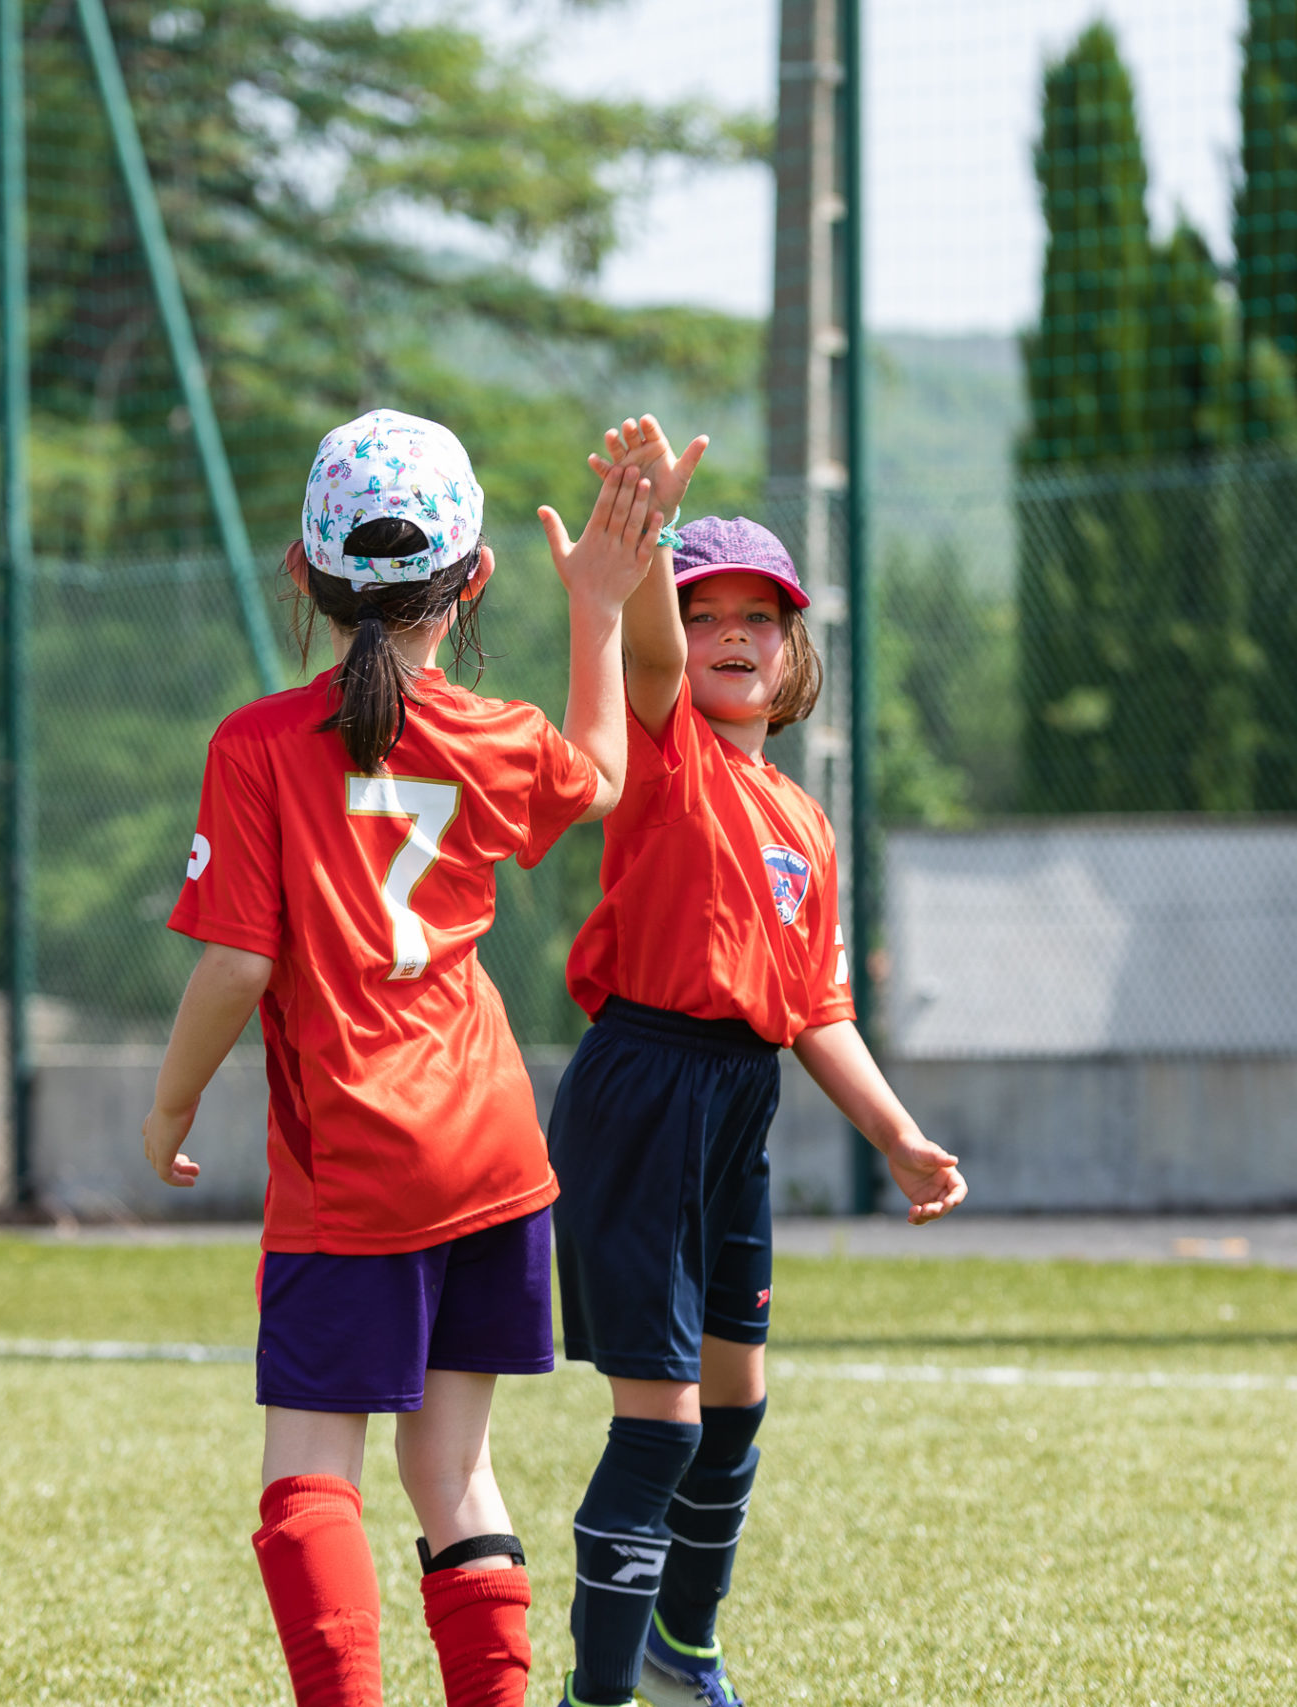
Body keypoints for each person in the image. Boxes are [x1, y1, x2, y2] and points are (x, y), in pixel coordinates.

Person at [141, 408, 663, 1707]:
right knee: (454, 1477)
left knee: (309, 1477)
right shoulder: (485, 735)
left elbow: (239, 965)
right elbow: (601, 778)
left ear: (303, 578)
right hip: (491, 1156)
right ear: (473, 581)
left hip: (352, 1169)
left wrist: (170, 1104)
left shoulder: (256, 746)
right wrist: (597, 605)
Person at [545, 418, 970, 1707]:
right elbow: (654, 664)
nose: (733, 633)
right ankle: (597, 1696)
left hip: (740, 1102)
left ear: (796, 656)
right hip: (644, 1088)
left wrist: (895, 1133)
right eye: (706, 611)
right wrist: (653, 541)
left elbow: (815, 1008)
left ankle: (684, 1651)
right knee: (660, 1424)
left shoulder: (804, 822)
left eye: (761, 617)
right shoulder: (667, 752)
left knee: (734, 1402)